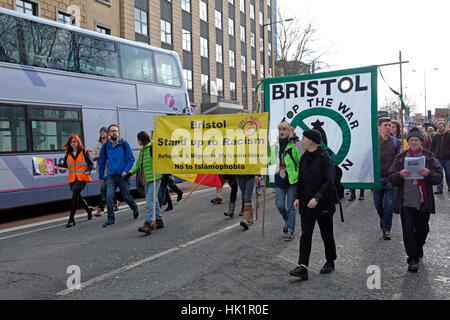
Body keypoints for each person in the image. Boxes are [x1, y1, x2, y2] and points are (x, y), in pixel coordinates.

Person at [388, 127, 442, 272]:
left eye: (416, 140)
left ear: (421, 141)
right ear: (408, 141)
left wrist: (429, 173)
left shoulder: (429, 156)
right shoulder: (400, 157)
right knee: (407, 230)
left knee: (422, 229)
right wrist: (400, 175)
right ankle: (412, 258)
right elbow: (391, 178)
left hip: (423, 201)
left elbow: (438, 178)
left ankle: (418, 247)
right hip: (405, 201)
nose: (413, 142)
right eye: (411, 139)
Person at [289, 129, 337, 280]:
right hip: (306, 203)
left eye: (303, 138)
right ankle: (303, 267)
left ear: (311, 141)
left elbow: (330, 181)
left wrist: (317, 197)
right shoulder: (304, 158)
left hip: (323, 204)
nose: (301, 141)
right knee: (306, 235)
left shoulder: (325, 158)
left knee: (326, 234)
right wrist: (297, 197)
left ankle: (330, 261)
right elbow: (301, 180)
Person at [98, 124, 140, 227]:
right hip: (111, 176)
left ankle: (134, 208)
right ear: (109, 133)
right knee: (108, 196)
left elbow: (131, 159)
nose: (114, 132)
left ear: (118, 132)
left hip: (122, 175)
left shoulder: (124, 144)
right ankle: (110, 218)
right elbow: (102, 162)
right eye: (112, 131)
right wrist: (101, 177)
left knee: (126, 196)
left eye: (116, 131)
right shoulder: (105, 146)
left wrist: (126, 171)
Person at [125, 131, 163, 234]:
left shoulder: (152, 148)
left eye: (138, 139)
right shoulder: (142, 150)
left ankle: (148, 224)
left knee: (150, 202)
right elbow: (137, 166)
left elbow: (160, 160)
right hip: (146, 180)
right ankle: (159, 220)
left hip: (155, 179)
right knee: (154, 201)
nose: (137, 141)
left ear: (141, 140)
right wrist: (129, 174)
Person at [271, 121, 301, 241]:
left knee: (291, 207)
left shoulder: (295, 145)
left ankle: (290, 231)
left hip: (292, 180)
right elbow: (271, 162)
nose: (281, 132)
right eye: (280, 130)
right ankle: (288, 221)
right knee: (279, 205)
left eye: (284, 129)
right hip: (280, 179)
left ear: (289, 131)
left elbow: (300, 163)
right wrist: (268, 151)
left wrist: (298, 175)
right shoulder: (275, 145)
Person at [55, 135, 94, 228]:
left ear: (78, 142)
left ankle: (71, 219)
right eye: (71, 142)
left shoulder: (84, 151)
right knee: (78, 197)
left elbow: (91, 163)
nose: (73, 143)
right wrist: (56, 166)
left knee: (74, 197)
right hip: (73, 179)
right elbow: (65, 165)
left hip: (81, 177)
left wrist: (88, 170)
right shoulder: (67, 153)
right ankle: (88, 210)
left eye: (75, 141)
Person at [373, 117, 400, 240]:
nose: (388, 127)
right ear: (379, 127)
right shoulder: (373, 141)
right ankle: (384, 219)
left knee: (389, 205)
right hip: (376, 179)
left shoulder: (396, 142)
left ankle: (386, 229)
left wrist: (402, 153)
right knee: (378, 204)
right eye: (385, 125)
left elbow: (400, 159)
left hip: (390, 178)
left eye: (390, 125)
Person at [92, 127, 119, 216]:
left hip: (110, 168)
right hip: (101, 169)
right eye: (101, 132)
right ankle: (115, 202)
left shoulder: (111, 143)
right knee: (107, 187)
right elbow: (92, 156)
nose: (102, 133)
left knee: (103, 188)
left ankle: (101, 207)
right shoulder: (97, 145)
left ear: (107, 133)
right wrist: (98, 157)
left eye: (104, 132)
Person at [430, 121, 450, 194]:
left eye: (441, 126)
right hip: (438, 158)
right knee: (439, 173)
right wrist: (434, 154)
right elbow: (432, 146)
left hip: (448, 158)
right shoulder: (435, 136)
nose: (440, 128)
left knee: (448, 173)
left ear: (445, 127)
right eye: (439, 127)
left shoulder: (449, 135)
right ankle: (439, 188)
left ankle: (449, 186)